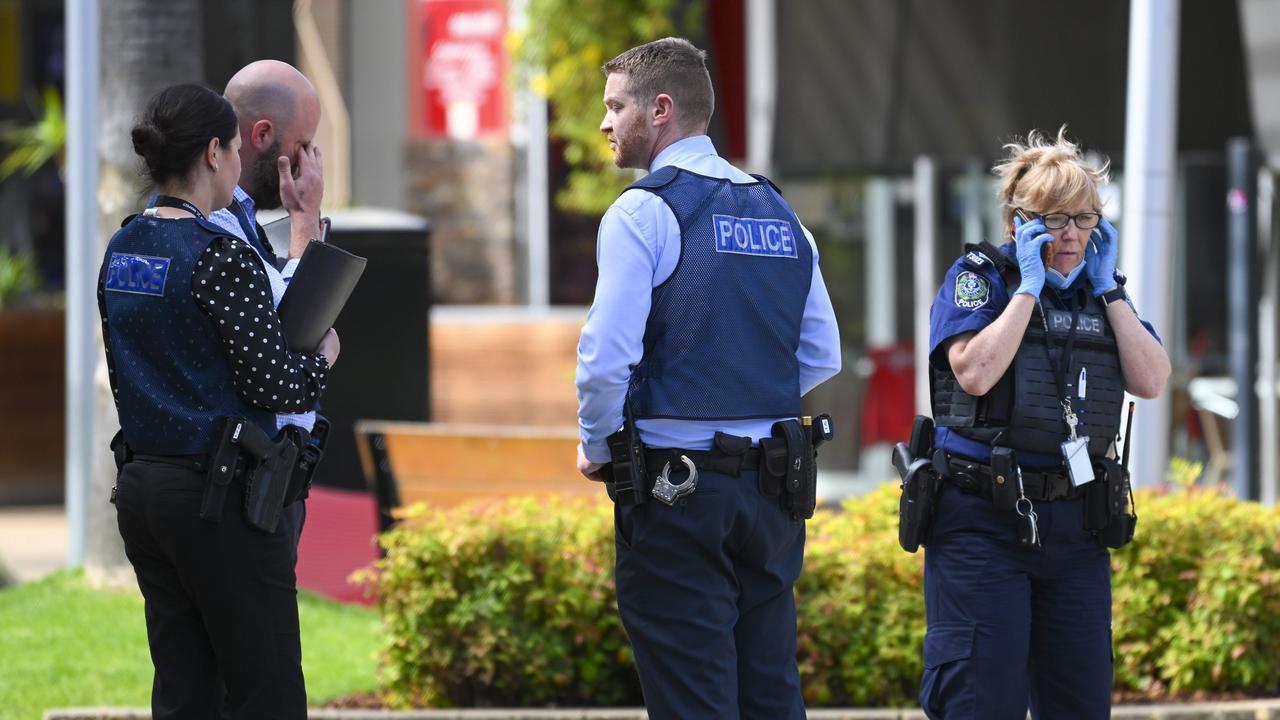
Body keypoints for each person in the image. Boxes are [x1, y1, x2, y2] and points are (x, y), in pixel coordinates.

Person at [574, 38, 841, 720]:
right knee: (770, 694)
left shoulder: (644, 210)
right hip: (772, 492)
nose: (604, 124)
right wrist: (746, 391)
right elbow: (821, 352)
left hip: (677, 492)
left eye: (615, 107)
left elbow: (606, 357)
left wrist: (600, 444)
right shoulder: (782, 214)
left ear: (661, 110)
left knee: (694, 699)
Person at [99, 83, 339, 719]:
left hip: (147, 489)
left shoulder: (123, 246)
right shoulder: (221, 255)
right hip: (219, 497)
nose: (240, 166)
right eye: (234, 149)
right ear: (214, 153)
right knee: (267, 690)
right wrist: (321, 359)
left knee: (185, 689)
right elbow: (275, 385)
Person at [920, 127, 1170, 719]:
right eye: (1055, 220)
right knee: (983, 700)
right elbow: (974, 374)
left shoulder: (1099, 292)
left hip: (1076, 526)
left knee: (1080, 702)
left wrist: (1108, 289)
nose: (1071, 237)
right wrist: (1027, 290)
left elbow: (1153, 378)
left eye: (1085, 221)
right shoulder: (980, 279)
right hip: (983, 521)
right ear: (1017, 223)